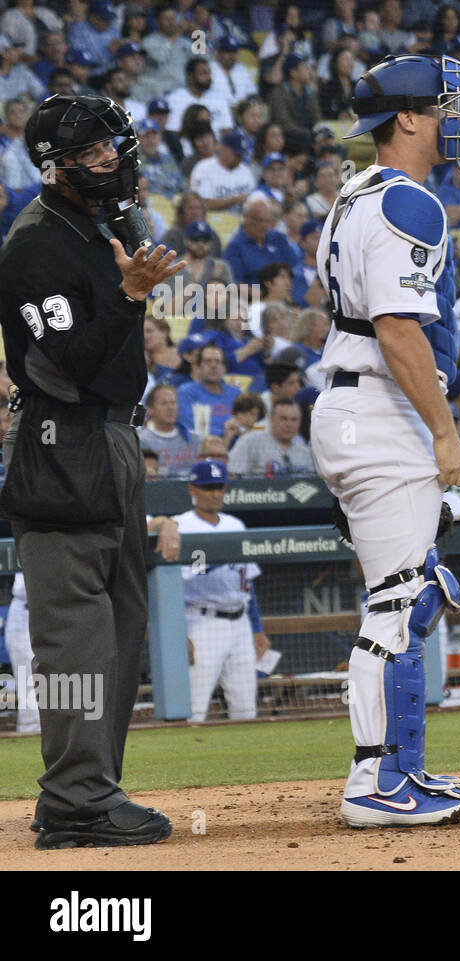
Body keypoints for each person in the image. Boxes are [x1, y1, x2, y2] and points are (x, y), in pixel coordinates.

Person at [0, 95, 182, 848]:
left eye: (117, 147)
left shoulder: (101, 225)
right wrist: (132, 295)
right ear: (58, 168)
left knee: (121, 629)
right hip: (62, 441)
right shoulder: (36, 242)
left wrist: (130, 287)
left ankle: (89, 789)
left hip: (112, 439)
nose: (116, 162)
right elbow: (70, 361)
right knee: (75, 637)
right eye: (98, 154)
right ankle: (74, 798)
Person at [309, 54, 460, 828]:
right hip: (381, 412)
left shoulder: (354, 194)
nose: (457, 119)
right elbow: (397, 329)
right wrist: (445, 434)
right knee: (399, 602)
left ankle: (400, 769)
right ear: (407, 118)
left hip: (356, 409)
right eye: (445, 107)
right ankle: (374, 785)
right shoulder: (408, 201)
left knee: (411, 594)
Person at [178, 459, 268, 722]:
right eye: (209, 487)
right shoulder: (180, 525)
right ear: (192, 489)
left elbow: (247, 582)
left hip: (240, 622)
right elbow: (171, 588)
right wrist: (179, 635)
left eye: (220, 487)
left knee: (246, 709)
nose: (216, 493)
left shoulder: (235, 525)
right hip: (201, 621)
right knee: (194, 709)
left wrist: (257, 628)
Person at [228, 397, 315, 476]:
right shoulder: (251, 441)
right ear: (271, 419)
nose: (289, 424)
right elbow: (231, 473)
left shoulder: (304, 450)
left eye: (294, 419)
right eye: (283, 419)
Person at [138, 382, 199, 476]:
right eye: (164, 403)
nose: (170, 407)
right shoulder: (142, 441)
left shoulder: (193, 438)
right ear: (150, 410)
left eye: (173, 402)